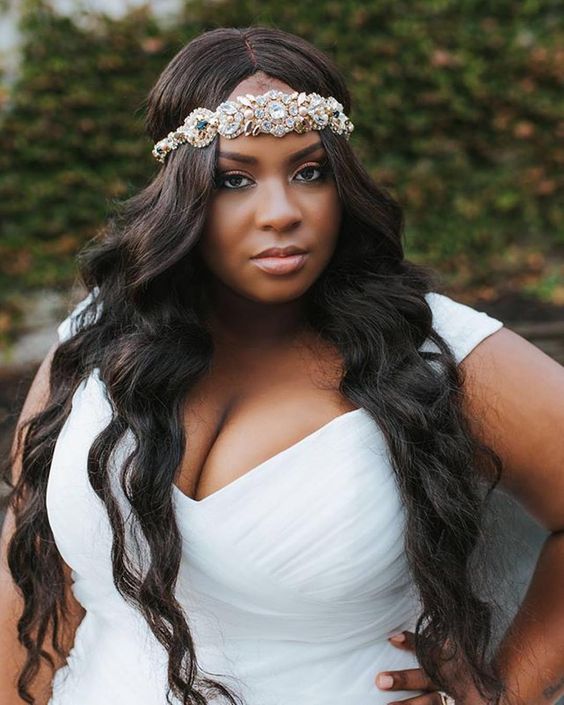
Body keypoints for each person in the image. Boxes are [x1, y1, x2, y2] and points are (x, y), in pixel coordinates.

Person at [1, 25, 563, 705]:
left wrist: (505, 691)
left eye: (309, 172)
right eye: (235, 178)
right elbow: (31, 572)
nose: (281, 213)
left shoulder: (429, 346)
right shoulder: (100, 334)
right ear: (181, 192)